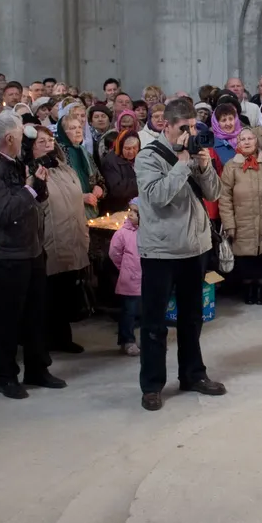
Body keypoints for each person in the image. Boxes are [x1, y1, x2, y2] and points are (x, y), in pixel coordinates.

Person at [133, 96, 226, 411]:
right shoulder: (148, 157)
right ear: (166, 125)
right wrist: (183, 164)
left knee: (192, 318)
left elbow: (213, 193)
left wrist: (203, 164)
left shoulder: (193, 153)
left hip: (194, 248)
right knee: (154, 323)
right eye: (183, 127)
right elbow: (157, 197)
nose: (189, 132)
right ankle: (152, 386)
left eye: (193, 126)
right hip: (161, 251)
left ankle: (193, 374)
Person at [0, 111, 65, 399]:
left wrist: (39, 183)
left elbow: (36, 196)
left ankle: (37, 368)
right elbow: (3, 211)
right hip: (4, 255)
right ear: (9, 138)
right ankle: (7, 376)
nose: (24, 141)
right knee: (7, 320)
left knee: (36, 315)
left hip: (31, 249)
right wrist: (30, 188)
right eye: (21, 136)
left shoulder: (16, 161)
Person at [31, 124, 89, 356]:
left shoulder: (65, 168)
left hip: (72, 238)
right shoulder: (30, 172)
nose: (48, 144)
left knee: (66, 293)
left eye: (49, 140)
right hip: (48, 242)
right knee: (47, 296)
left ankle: (63, 337)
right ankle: (42, 341)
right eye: (40, 142)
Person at [219, 127, 262, 305]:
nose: (247, 142)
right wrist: (229, 224)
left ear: (256, 141)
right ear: (238, 143)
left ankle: (261, 288)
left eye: (250, 138)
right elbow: (225, 197)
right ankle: (248, 289)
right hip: (240, 220)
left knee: (261, 256)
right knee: (245, 257)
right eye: (243, 139)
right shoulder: (231, 166)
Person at [107, 199, 143, 356]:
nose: (131, 214)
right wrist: (124, 268)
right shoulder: (122, 233)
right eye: (130, 210)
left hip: (145, 279)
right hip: (130, 279)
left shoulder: (148, 233)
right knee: (129, 311)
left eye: (136, 212)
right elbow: (114, 252)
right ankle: (127, 340)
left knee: (144, 311)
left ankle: (147, 340)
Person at [55, 115, 103, 218]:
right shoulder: (58, 155)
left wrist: (99, 187)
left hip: (91, 209)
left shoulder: (84, 151)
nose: (78, 131)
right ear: (63, 132)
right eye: (72, 128)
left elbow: (99, 179)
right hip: (69, 213)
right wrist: (80, 197)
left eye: (79, 127)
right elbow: (57, 188)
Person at [100, 130, 140, 214]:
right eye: (127, 148)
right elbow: (117, 189)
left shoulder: (142, 158)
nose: (131, 152)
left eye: (135, 148)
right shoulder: (110, 161)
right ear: (120, 147)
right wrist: (141, 181)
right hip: (117, 210)